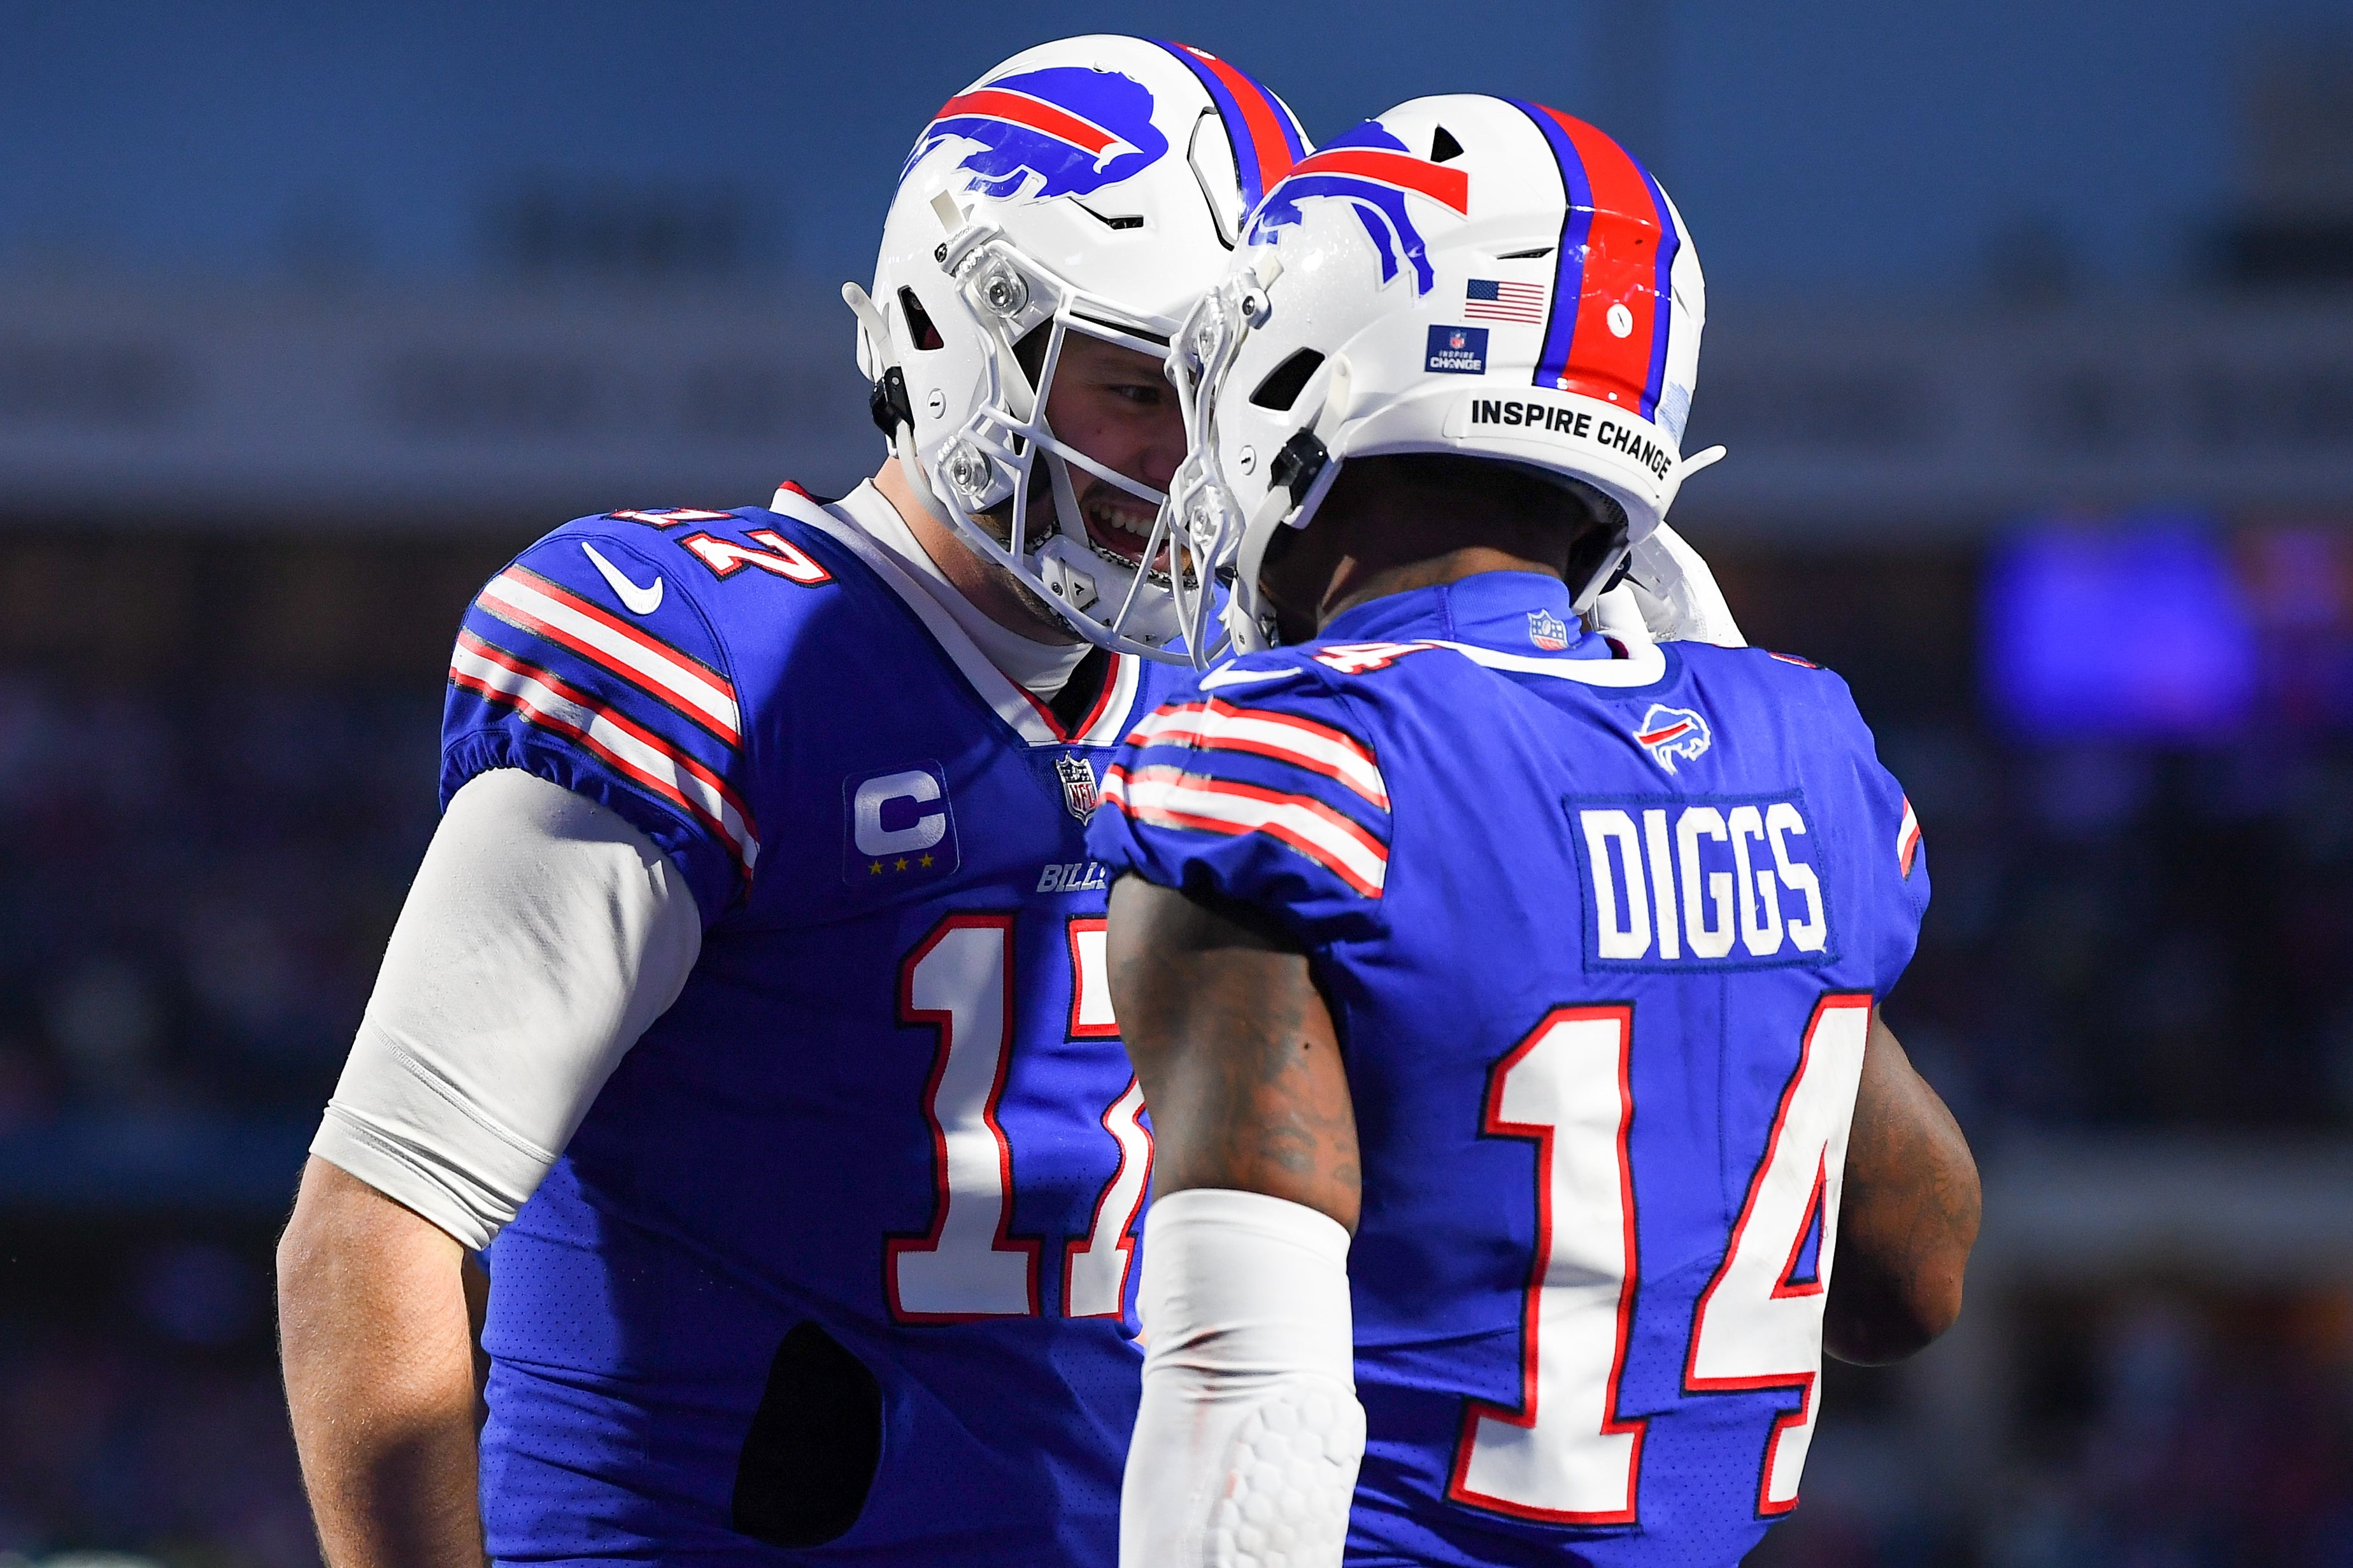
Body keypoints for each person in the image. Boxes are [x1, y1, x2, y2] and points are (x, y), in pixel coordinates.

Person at [274, 37, 1309, 1568]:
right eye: (1135, 383)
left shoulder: (1252, 695)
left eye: (1233, 393)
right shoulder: (702, 658)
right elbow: (369, 1227)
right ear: (962, 338)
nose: (1191, 454)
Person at [1089, 95, 1980, 1566]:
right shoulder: (1802, 743)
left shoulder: (1295, 764)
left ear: (1308, 370)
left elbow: (1250, 1415)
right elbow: (1911, 1279)